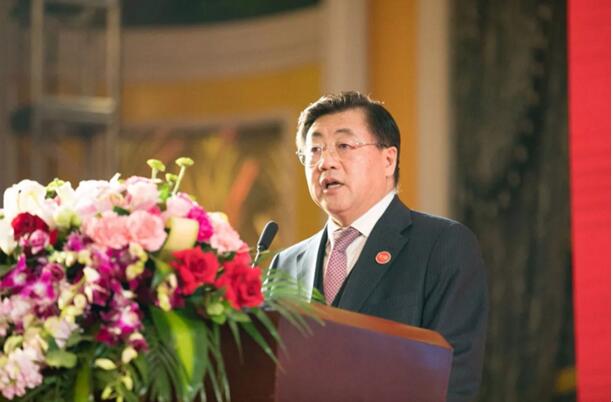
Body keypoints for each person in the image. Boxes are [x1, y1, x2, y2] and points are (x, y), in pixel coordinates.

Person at [270, 91, 487, 402]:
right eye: (314, 150)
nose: (325, 162)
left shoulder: (443, 245)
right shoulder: (286, 264)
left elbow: (452, 382)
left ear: (388, 160)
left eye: (344, 146)